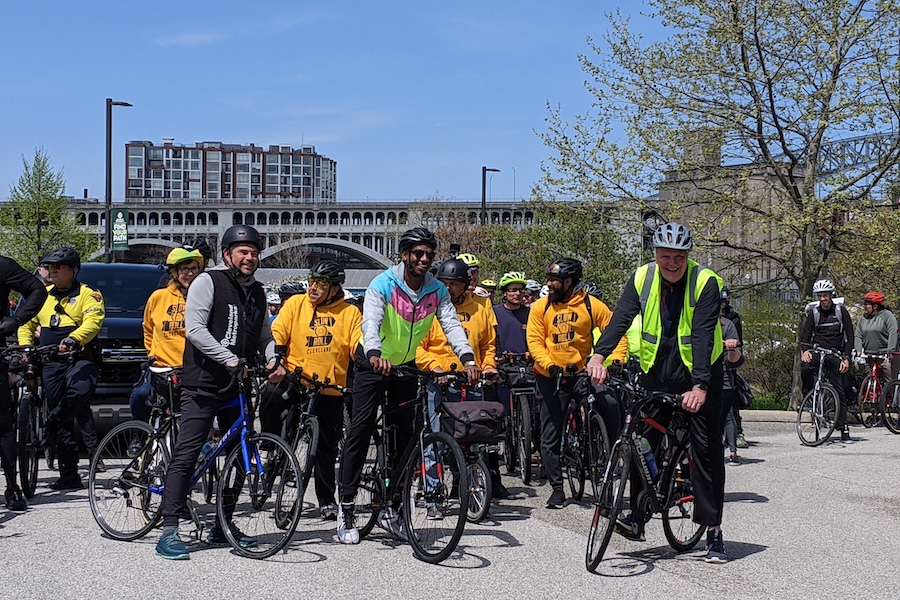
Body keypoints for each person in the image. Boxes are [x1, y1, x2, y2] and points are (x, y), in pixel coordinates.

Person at [586, 222, 731, 564]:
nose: (671, 263)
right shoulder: (643, 278)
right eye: (665, 256)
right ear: (655, 254)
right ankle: (638, 516)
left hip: (700, 374)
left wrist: (699, 386)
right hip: (656, 374)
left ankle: (713, 531)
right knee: (639, 441)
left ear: (687, 255)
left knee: (705, 452)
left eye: (678, 256)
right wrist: (598, 354)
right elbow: (620, 318)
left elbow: (700, 333)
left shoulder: (704, 282)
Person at [337, 227, 479, 545]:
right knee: (360, 430)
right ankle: (345, 506)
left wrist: (468, 359)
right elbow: (369, 323)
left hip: (405, 365)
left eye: (429, 253)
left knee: (407, 437)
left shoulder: (437, 290)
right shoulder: (383, 284)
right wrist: (374, 354)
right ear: (404, 255)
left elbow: (451, 324)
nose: (424, 259)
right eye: (418, 253)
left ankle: (394, 508)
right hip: (372, 362)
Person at [155, 225, 285, 560]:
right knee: (187, 452)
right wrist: (229, 359)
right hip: (203, 383)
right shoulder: (207, 281)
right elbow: (195, 329)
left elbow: (263, 336)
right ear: (227, 254)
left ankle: (222, 524)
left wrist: (273, 359)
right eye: (242, 251)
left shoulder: (256, 291)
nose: (250, 257)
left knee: (242, 454)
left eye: (254, 252)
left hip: (235, 385)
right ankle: (169, 530)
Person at [264, 259, 361, 520]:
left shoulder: (350, 313)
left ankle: (327, 500)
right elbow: (276, 335)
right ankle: (270, 446)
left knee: (326, 449)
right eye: (312, 282)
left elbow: (356, 346)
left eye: (322, 284)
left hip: (330, 388)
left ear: (335, 288)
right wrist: (275, 361)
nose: (313, 289)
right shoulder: (296, 304)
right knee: (270, 398)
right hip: (297, 379)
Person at [527, 257, 627, 509]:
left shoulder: (591, 305)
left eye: (554, 280)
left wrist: (614, 361)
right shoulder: (541, 307)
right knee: (549, 434)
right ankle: (557, 489)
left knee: (610, 403)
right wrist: (548, 364)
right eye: (549, 279)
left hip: (584, 372)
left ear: (569, 282)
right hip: (551, 375)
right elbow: (535, 341)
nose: (549, 284)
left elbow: (616, 332)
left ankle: (609, 455)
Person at [416, 258, 508, 502]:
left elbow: (488, 343)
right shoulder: (428, 308)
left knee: (473, 437)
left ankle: (470, 485)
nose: (448, 288)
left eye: (454, 284)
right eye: (443, 283)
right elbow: (418, 347)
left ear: (465, 284)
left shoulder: (480, 306)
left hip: (470, 381)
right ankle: (433, 493)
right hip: (440, 381)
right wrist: (434, 368)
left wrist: (487, 366)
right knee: (435, 439)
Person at [18, 247, 104, 491]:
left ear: (73, 269)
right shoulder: (41, 295)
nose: (53, 271)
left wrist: (74, 339)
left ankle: (53, 422)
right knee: (60, 417)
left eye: (59, 267)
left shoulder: (89, 294)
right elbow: (26, 323)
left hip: (79, 357)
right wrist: (25, 347)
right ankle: (69, 474)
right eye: (50, 267)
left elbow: (94, 320)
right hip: (50, 360)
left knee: (77, 394)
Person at [132, 248, 204, 424]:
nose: (190, 274)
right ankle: (140, 434)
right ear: (174, 272)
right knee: (140, 395)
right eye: (184, 269)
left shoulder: (205, 297)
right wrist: (152, 354)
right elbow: (148, 328)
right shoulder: (159, 297)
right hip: (161, 368)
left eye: (194, 269)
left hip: (192, 369)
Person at [0, 255, 48, 511]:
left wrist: (17, 320)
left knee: (3, 424)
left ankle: (12, 487)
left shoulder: (3, 266)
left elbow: (37, 290)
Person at [799, 279, 854, 441]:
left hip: (835, 353)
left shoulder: (840, 311)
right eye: (820, 296)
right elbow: (805, 336)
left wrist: (847, 358)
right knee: (805, 367)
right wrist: (805, 351)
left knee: (839, 389)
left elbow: (850, 336)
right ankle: (808, 396)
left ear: (831, 295)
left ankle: (843, 427)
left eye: (826, 295)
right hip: (817, 351)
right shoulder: (814, 313)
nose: (823, 299)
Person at [719, 287, 748, 449]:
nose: (721, 307)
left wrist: (732, 347)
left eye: (723, 303)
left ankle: (737, 435)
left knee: (730, 406)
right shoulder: (701, 317)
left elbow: (738, 346)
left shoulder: (732, 320)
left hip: (727, 363)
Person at [854, 291, 896, 390]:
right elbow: (858, 335)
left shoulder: (887, 315)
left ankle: (891, 399)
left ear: (875, 306)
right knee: (871, 382)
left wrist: (890, 350)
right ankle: (873, 402)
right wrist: (858, 349)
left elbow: (892, 332)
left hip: (884, 354)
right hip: (870, 355)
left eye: (867, 305)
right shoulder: (863, 318)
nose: (864, 307)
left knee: (888, 381)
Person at [720, 313, 744, 465]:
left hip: (723, 377)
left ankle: (733, 451)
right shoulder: (694, 320)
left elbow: (736, 360)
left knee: (728, 416)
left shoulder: (727, 325)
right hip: (697, 378)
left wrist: (732, 348)